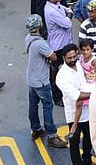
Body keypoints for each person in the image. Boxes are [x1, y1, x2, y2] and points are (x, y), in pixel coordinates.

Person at [25, 14, 67, 148]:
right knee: (47, 106)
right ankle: (51, 135)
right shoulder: (40, 43)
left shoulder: (28, 38)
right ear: (39, 26)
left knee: (33, 105)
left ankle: (36, 128)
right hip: (41, 80)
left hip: (31, 78)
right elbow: (53, 57)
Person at [56, 43, 94, 165]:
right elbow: (77, 96)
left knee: (89, 137)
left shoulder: (77, 65)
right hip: (73, 113)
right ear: (63, 58)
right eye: (69, 58)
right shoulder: (62, 76)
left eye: (74, 56)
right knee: (74, 141)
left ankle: (87, 160)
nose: (72, 60)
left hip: (88, 110)